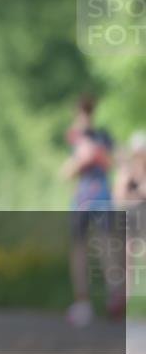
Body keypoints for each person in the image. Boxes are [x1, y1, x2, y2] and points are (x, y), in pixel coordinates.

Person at [60, 94, 122, 326]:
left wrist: (96, 154)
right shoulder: (75, 138)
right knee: (79, 249)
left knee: (105, 244)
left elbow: (114, 160)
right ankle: (83, 301)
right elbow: (67, 172)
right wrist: (80, 160)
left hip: (99, 198)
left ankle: (113, 292)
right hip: (82, 200)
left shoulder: (101, 136)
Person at [113, 131, 146, 299]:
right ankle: (128, 295)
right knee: (128, 256)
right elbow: (119, 197)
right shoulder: (127, 171)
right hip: (130, 216)